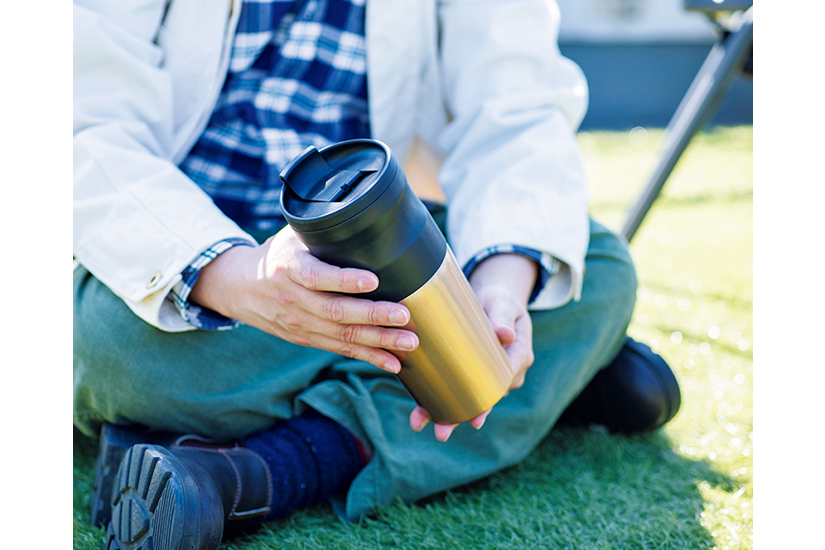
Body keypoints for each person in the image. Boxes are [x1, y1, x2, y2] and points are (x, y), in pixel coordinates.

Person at [73, 0, 681, 549]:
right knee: (105, 345)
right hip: (178, 250)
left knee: (596, 268)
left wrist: (499, 291)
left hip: (365, 246)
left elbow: (516, 110)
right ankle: (553, 379)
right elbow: (78, 124)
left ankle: (246, 471)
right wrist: (240, 276)